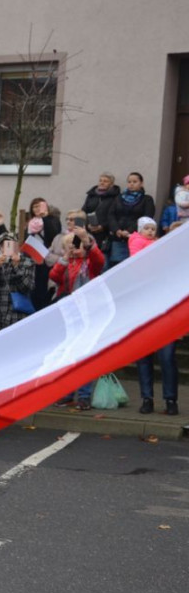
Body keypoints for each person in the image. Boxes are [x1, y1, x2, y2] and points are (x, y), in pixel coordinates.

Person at [48, 227, 105, 409]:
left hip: (89, 311)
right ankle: (67, 393)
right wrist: (65, 258)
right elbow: (54, 276)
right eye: (72, 245)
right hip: (70, 313)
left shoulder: (90, 263)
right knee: (69, 354)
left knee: (85, 355)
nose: (76, 248)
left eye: (78, 245)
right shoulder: (66, 263)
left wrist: (86, 242)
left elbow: (100, 260)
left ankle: (84, 395)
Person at [128, 217, 179, 415]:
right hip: (145, 313)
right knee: (144, 358)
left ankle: (170, 399)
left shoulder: (177, 263)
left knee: (167, 358)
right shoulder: (146, 252)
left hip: (168, 318)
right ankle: (147, 398)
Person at [106, 171, 155, 267]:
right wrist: (116, 229)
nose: (131, 184)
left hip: (136, 238)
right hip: (118, 237)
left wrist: (129, 231)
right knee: (117, 265)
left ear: (141, 183)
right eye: (129, 182)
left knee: (133, 265)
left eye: (134, 181)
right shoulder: (119, 198)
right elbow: (111, 214)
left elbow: (146, 217)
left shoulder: (147, 199)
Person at [81, 172, 120, 252]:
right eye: (100, 180)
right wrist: (87, 225)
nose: (102, 183)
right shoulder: (91, 195)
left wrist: (103, 226)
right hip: (89, 231)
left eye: (105, 181)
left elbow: (115, 215)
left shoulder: (115, 197)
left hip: (105, 233)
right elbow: (83, 211)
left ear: (111, 184)